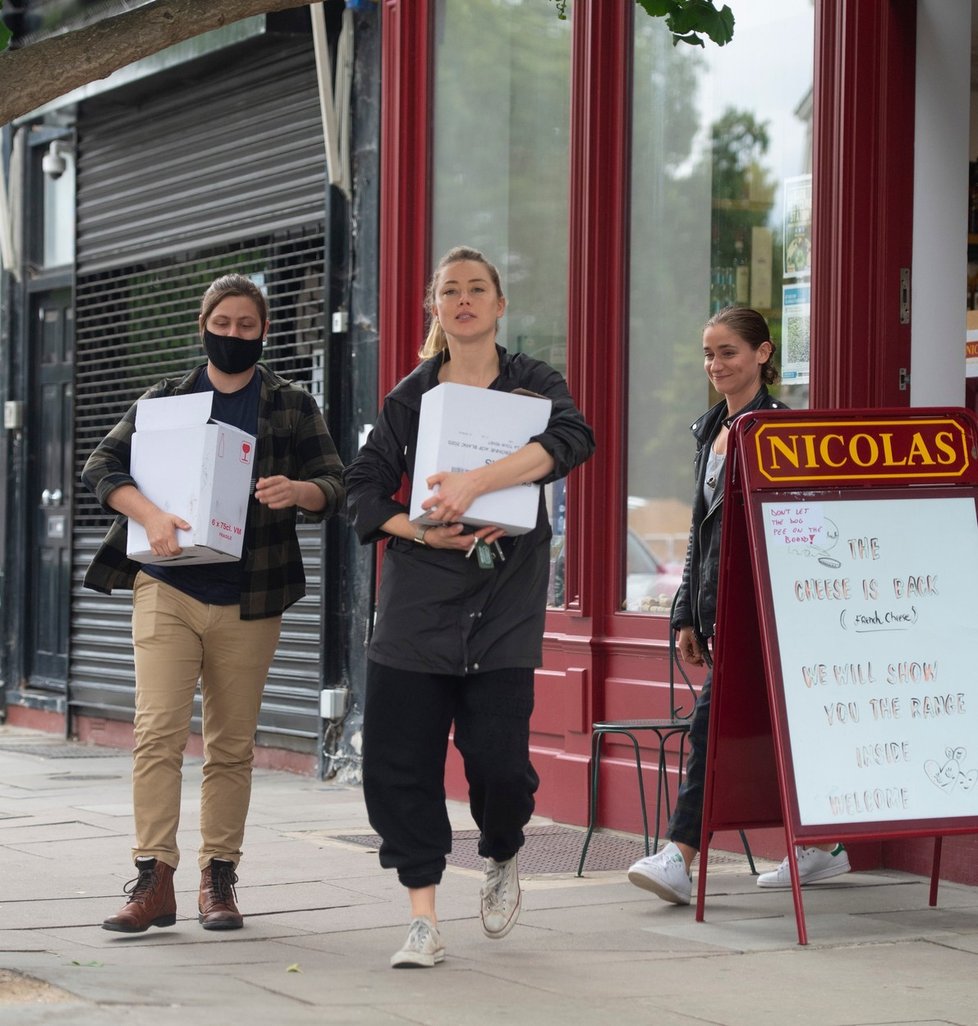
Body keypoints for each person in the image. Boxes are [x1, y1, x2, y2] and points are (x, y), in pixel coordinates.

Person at [345, 245, 594, 968]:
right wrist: (420, 525)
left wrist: (477, 483)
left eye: (477, 288)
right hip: (418, 602)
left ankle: (503, 848)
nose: (463, 299)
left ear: (498, 305)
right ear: (434, 307)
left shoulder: (534, 383)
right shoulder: (410, 397)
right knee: (400, 765)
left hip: (504, 601)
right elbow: (364, 489)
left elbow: (574, 438)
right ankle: (422, 915)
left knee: (500, 764)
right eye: (449, 290)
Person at [83, 273, 345, 934]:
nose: (232, 335)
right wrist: (151, 515)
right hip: (167, 586)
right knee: (158, 730)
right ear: (203, 326)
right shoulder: (166, 400)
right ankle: (154, 878)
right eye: (222, 324)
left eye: (245, 326)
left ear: (263, 332)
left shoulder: (290, 404)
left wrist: (301, 493)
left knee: (230, 745)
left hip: (252, 596)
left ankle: (217, 879)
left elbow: (335, 483)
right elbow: (102, 467)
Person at [626, 306, 850, 905]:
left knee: (712, 725)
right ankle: (823, 849)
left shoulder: (779, 431)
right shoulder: (710, 431)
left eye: (728, 352)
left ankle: (680, 855)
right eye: (708, 353)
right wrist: (686, 614)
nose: (715, 364)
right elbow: (703, 535)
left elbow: (802, 529)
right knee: (784, 732)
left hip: (769, 617)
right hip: (721, 615)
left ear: (763, 355)